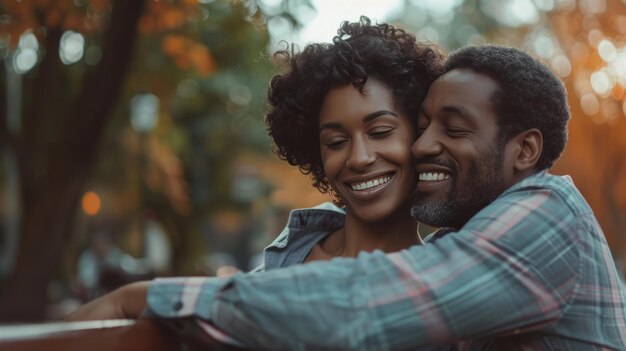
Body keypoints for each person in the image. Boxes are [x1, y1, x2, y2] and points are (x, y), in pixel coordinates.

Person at [68, 45, 626, 350]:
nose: (428, 143)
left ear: (524, 150)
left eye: (451, 129)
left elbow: (365, 304)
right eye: (336, 140)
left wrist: (150, 295)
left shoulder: (547, 219)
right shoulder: (291, 255)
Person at [258, 17, 442, 271]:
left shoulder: (444, 282)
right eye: (336, 142)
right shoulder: (277, 269)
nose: (358, 158)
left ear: (421, 134)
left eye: (380, 131)